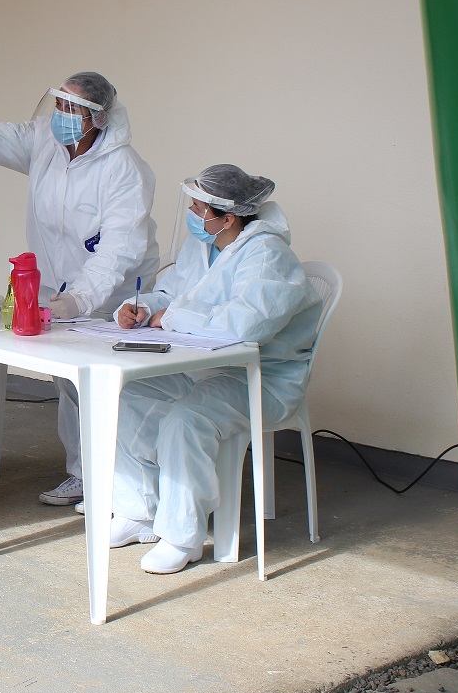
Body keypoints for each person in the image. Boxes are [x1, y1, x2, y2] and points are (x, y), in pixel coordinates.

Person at [0, 72, 158, 506]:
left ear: (99, 117)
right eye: (59, 104)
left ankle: (130, 486)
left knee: (116, 391)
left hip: (113, 296)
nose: (62, 116)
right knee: (70, 384)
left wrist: (81, 297)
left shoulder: (124, 170)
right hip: (60, 291)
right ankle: (83, 474)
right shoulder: (45, 141)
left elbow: (118, 250)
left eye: (73, 109)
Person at [108, 164, 322, 574]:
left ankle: (182, 536)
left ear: (228, 217)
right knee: (130, 393)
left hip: (264, 378)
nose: (192, 216)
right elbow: (175, 293)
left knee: (185, 420)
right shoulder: (203, 245)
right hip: (209, 368)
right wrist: (145, 308)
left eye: (199, 209)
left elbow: (246, 326)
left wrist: (168, 319)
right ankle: (139, 510)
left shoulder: (267, 256)